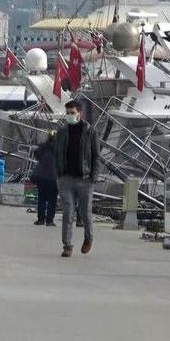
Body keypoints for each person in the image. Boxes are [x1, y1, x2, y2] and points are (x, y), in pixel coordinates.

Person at [54, 100, 99, 258]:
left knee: (85, 212)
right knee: (68, 212)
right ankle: (67, 245)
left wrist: (93, 176)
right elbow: (57, 153)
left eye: (72, 113)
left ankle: (88, 238)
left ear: (80, 113)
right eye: (67, 113)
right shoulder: (62, 131)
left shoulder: (90, 132)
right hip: (66, 178)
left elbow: (96, 156)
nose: (69, 116)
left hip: (85, 179)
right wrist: (58, 174)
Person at [32, 131, 58, 226]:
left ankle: (41, 219)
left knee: (41, 198)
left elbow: (36, 153)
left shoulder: (43, 147)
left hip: (41, 176)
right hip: (53, 177)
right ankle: (50, 220)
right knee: (52, 200)